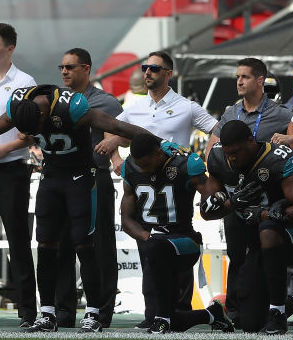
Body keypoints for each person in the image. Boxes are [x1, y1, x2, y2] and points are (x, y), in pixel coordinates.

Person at [0, 84, 157, 333]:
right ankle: (48, 313)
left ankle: (93, 313)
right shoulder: (19, 105)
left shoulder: (71, 108)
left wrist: (158, 143)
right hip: (50, 177)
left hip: (80, 178)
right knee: (45, 245)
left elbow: (117, 127)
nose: (31, 136)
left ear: (43, 116)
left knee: (84, 245)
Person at [96, 50, 218, 328]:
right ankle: (154, 314)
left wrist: (210, 156)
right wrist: (115, 158)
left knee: (177, 250)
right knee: (148, 251)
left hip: (178, 183)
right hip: (143, 183)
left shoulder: (186, 106)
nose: (147, 72)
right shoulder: (135, 105)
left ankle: (179, 314)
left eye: (154, 68)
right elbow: (112, 128)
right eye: (145, 68)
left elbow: (217, 127)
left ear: (168, 74)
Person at [201, 120, 293, 334]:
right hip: (256, 244)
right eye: (228, 153)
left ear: (250, 141)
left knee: (267, 228)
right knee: (251, 323)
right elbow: (207, 212)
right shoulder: (218, 158)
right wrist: (232, 203)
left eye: (236, 152)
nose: (232, 158)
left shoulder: (278, 158)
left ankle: (277, 314)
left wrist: (265, 213)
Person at [204, 58, 293, 326]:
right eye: (237, 77)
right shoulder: (231, 112)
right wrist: (219, 182)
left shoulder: (281, 114)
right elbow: (212, 147)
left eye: (244, 76)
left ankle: (270, 306)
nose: (239, 81)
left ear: (260, 80)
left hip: (266, 193)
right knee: (236, 253)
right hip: (236, 194)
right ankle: (233, 310)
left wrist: (288, 141)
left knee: (263, 252)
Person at [120, 133, 234, 334]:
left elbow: (211, 202)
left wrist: (220, 199)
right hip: (154, 243)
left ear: (158, 154)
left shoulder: (184, 164)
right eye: (139, 166)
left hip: (185, 241)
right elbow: (127, 220)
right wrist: (148, 237)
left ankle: (162, 318)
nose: (143, 170)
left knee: (160, 314)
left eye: (146, 165)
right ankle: (211, 314)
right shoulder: (130, 167)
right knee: (165, 318)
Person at [54, 48, 122, 328]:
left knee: (101, 246)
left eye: (70, 67)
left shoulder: (105, 102)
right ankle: (63, 313)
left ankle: (102, 312)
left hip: (94, 179)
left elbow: (121, 131)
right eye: (62, 67)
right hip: (62, 178)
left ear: (86, 68)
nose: (64, 72)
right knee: (61, 247)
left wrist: (113, 143)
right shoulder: (57, 100)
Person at [0, 22, 37, 328]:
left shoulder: (24, 82)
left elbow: (28, 134)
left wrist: (3, 148)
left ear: (10, 47)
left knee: (18, 238)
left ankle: (27, 310)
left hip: (12, 168)